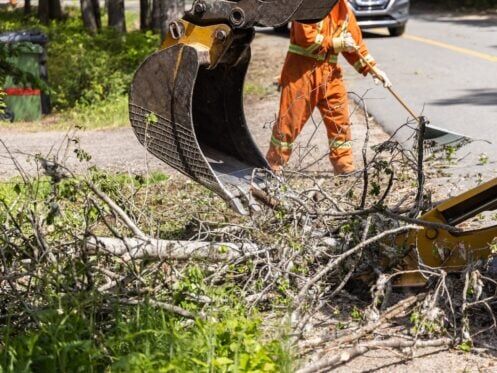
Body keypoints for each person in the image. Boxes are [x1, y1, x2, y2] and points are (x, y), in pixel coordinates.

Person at [266, 0, 391, 175]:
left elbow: (355, 44)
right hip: (301, 74)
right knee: (289, 123)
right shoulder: (307, 5)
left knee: (339, 121)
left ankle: (344, 167)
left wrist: (374, 69)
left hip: (330, 75)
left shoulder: (344, 9)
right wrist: (337, 43)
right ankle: (273, 166)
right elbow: (306, 38)